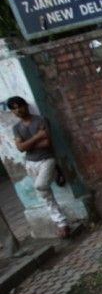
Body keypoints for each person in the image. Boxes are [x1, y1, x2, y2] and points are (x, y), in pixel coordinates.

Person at [7, 96, 69, 238]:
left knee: (40, 186)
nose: (18, 110)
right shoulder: (16, 128)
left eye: (19, 106)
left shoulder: (40, 120)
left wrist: (27, 144)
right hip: (30, 163)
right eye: (14, 108)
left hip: (46, 159)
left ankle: (54, 174)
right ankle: (62, 224)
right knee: (46, 196)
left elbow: (46, 143)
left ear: (26, 106)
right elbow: (20, 148)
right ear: (12, 111)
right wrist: (37, 137)